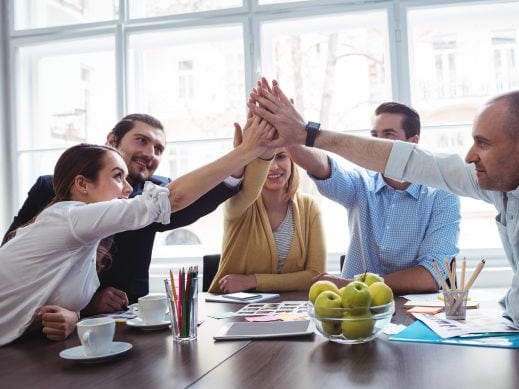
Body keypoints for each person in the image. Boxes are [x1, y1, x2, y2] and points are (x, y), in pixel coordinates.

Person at [249, 79, 519, 368]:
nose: (470, 155)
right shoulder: (512, 177)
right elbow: (421, 163)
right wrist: (307, 134)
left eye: (482, 143)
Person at [0, 118, 273, 345]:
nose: (129, 190)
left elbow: (46, 296)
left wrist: (76, 314)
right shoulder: (66, 215)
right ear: (82, 184)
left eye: (158, 148)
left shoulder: (91, 246)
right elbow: (170, 199)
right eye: (117, 177)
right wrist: (244, 152)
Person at [286, 102, 460, 293]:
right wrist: (288, 136)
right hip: (356, 309)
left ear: (413, 142)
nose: (376, 144)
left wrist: (356, 285)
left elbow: (430, 276)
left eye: (388, 135)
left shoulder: (442, 196)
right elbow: (321, 166)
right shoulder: (361, 183)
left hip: (413, 313)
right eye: (374, 136)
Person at [209, 119, 326, 294]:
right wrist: (241, 153)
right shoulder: (238, 202)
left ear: (292, 159)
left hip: (290, 312)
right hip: (234, 311)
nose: (273, 166)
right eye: (263, 158)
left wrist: (253, 281)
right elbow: (250, 189)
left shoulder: (308, 207)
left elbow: (316, 276)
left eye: (280, 156)